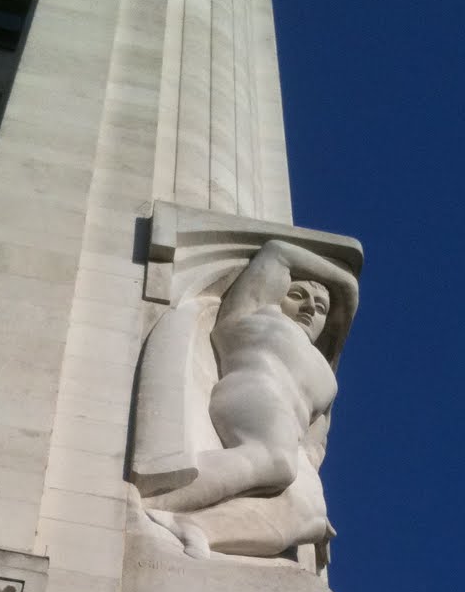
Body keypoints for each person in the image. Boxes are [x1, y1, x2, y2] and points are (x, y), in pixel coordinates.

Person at [145, 239, 355, 558]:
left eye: (322, 307)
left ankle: (198, 527)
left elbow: (315, 444)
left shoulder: (326, 374)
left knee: (310, 513)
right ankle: (156, 499)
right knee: (275, 460)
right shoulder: (255, 313)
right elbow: (278, 252)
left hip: (291, 431)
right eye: (298, 295)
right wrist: (347, 285)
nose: (310, 308)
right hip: (255, 393)